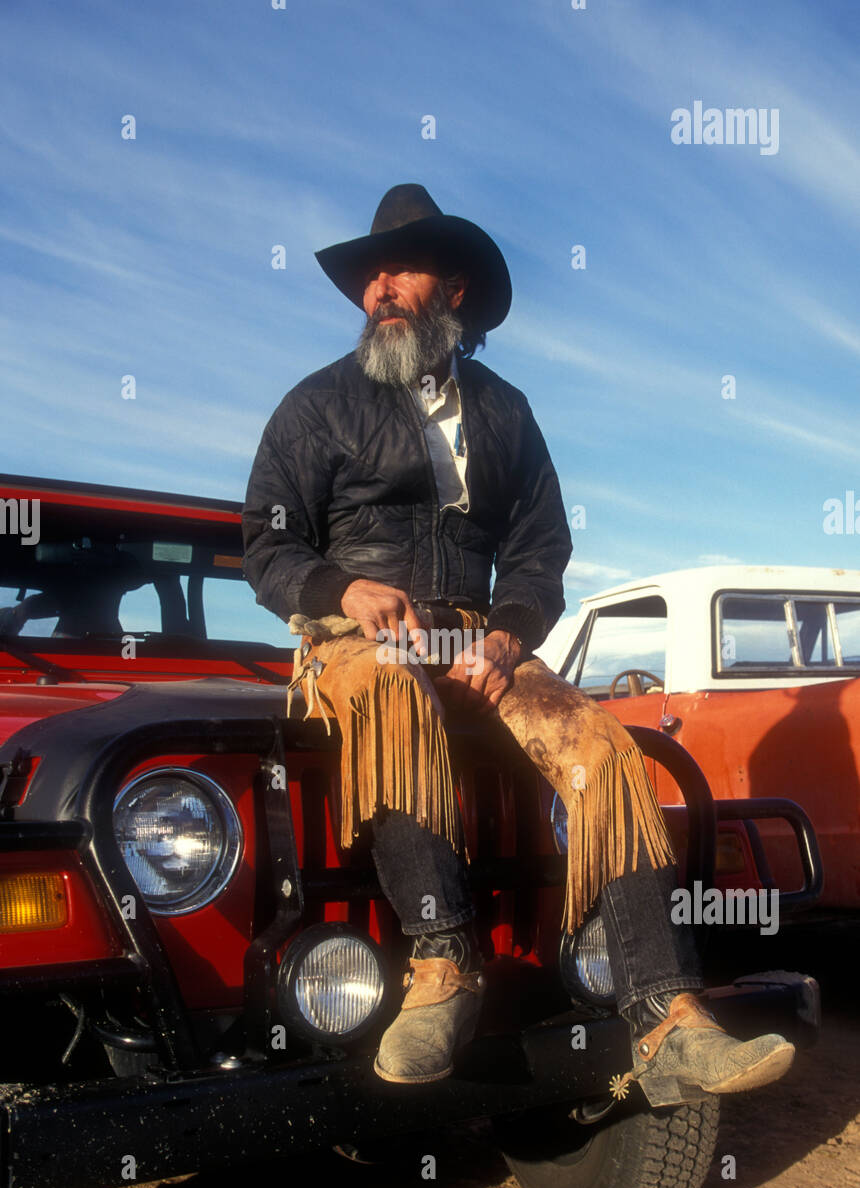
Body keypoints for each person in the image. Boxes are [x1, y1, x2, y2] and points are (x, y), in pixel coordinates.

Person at [243, 183, 794, 1102]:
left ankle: (666, 1014)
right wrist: (344, 587)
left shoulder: (505, 411)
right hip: (357, 639)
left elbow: (542, 548)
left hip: (476, 639)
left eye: (400, 269)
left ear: (452, 290)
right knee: (390, 687)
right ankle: (443, 967)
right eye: (369, 275)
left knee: (603, 747)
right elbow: (266, 542)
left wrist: (509, 633)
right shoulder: (314, 407)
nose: (378, 288)